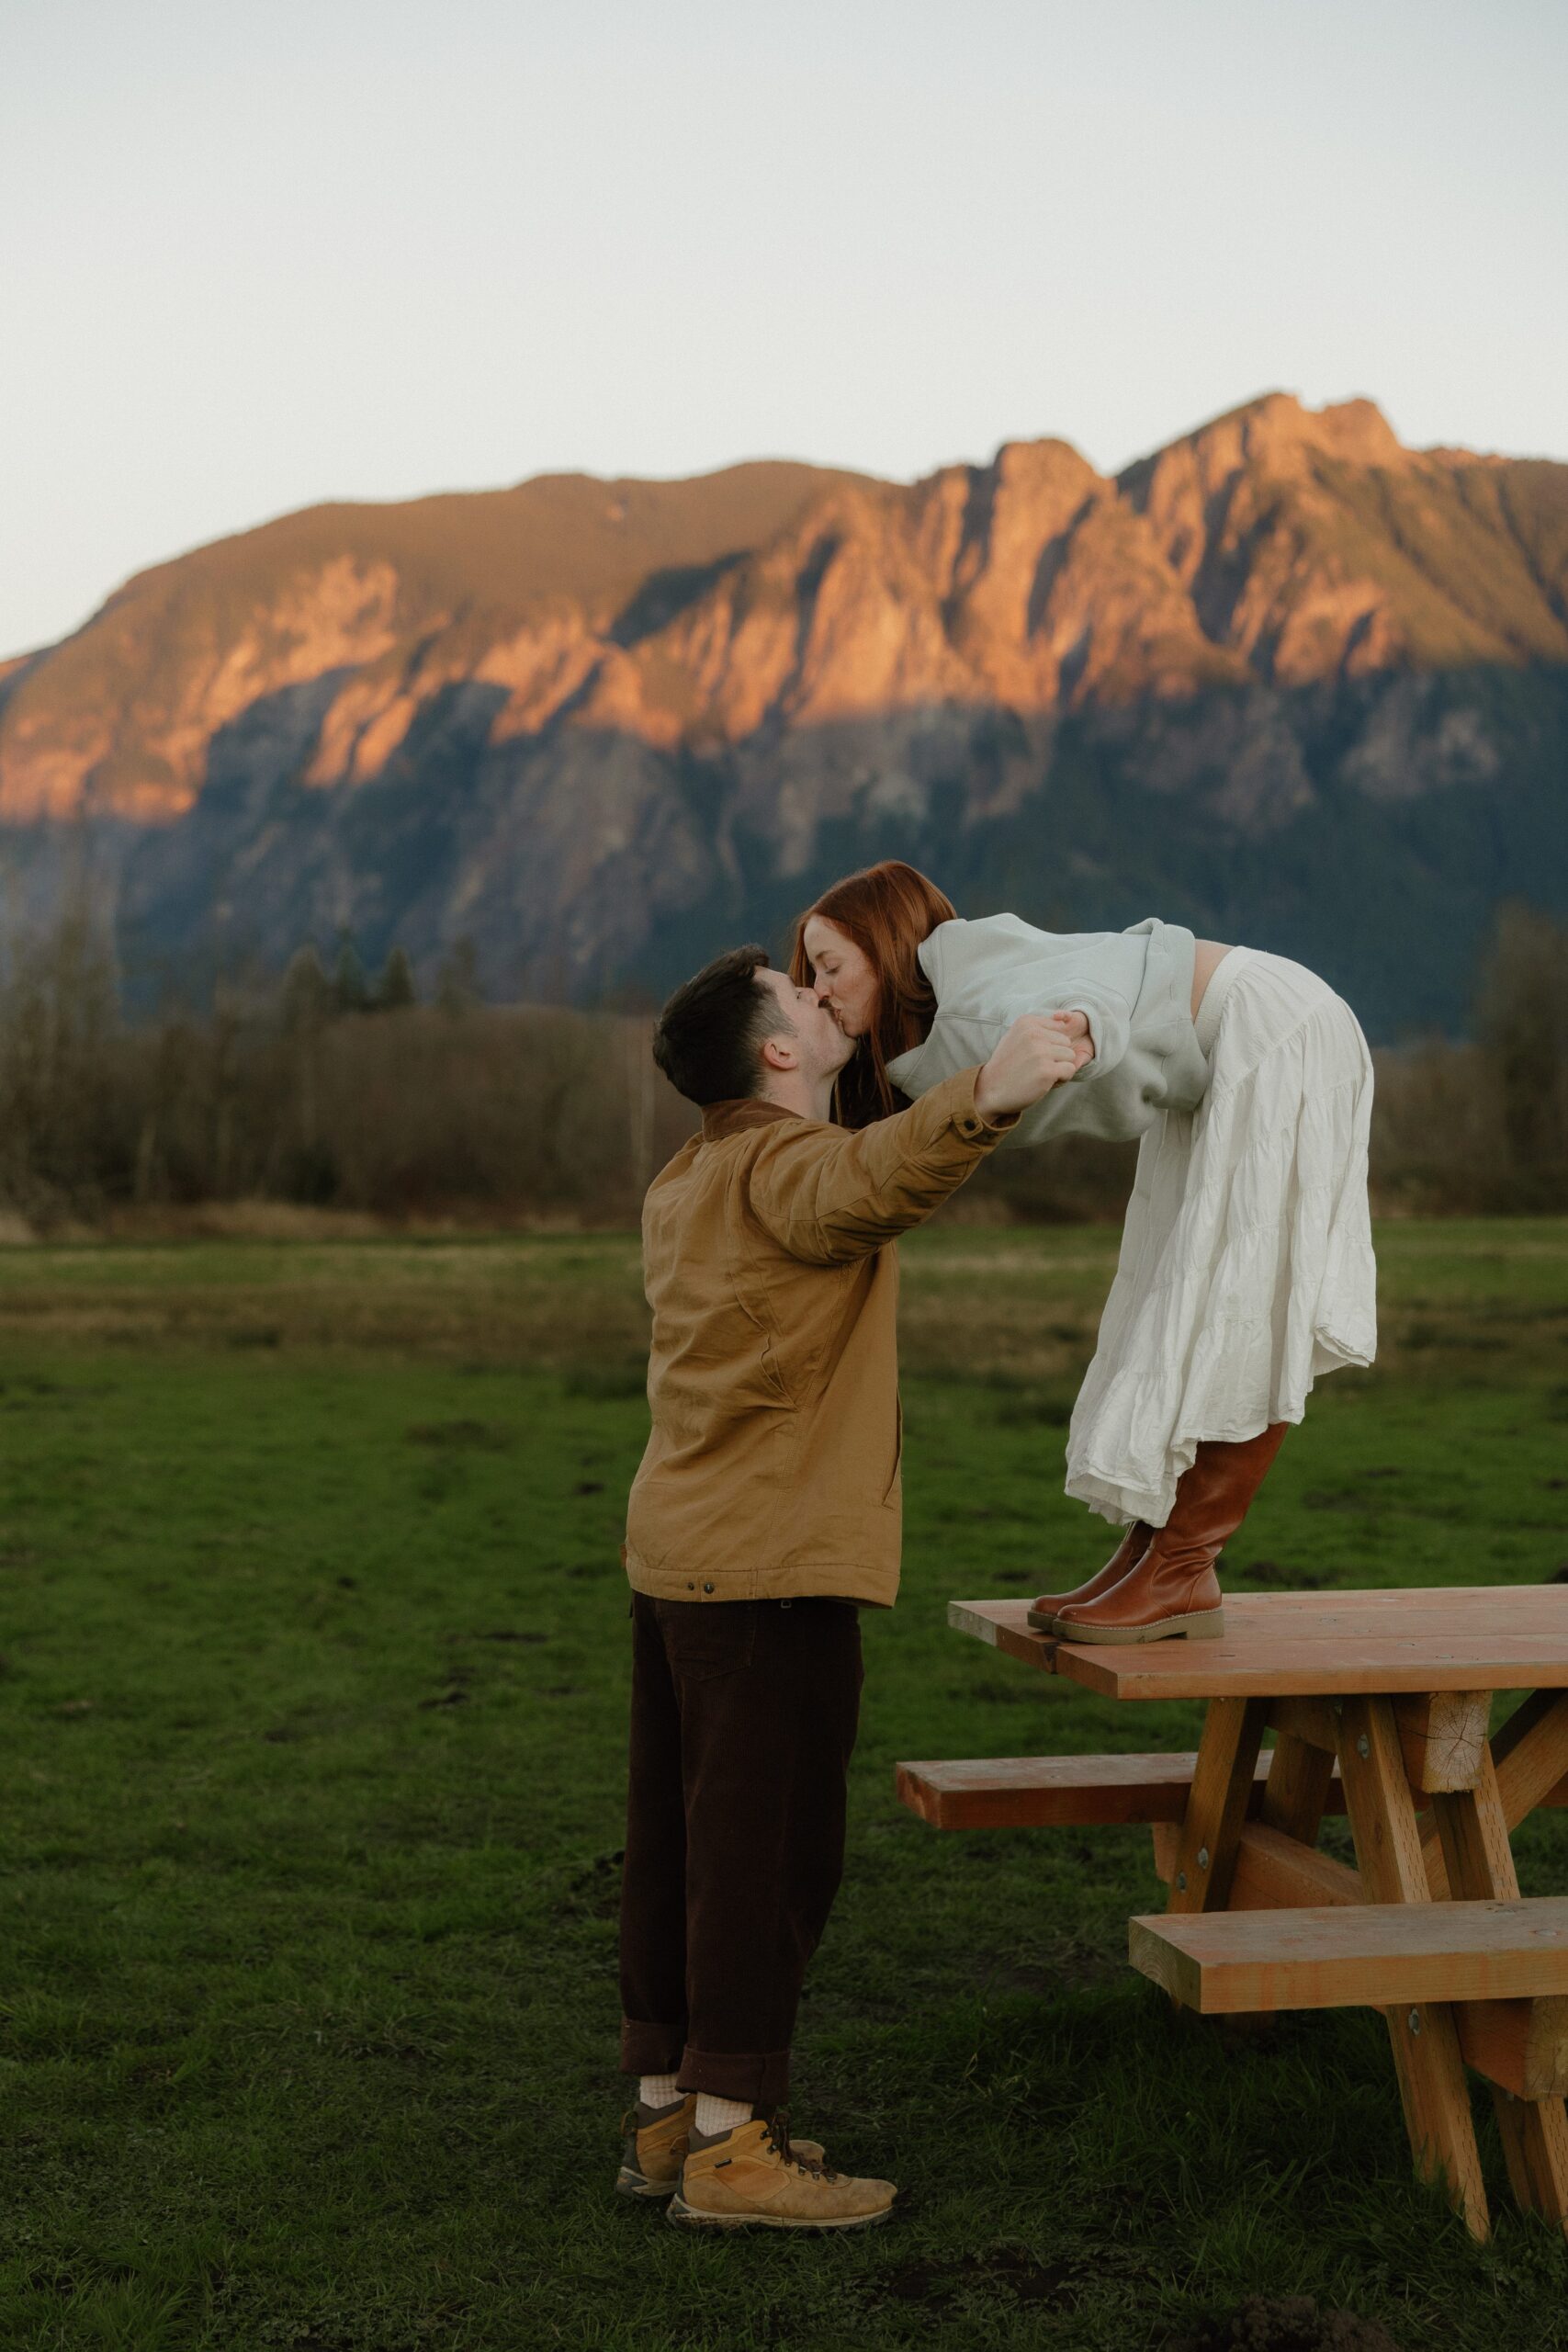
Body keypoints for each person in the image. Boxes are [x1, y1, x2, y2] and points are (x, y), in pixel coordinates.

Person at [617, 944, 1078, 2229]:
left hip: (681, 1558)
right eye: (800, 993)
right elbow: (867, 1179)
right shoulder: (782, 1169)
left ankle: (664, 2118)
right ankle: (731, 2150)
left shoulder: (689, 1172)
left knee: (678, 1848)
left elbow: (852, 1153)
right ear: (774, 1050)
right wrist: (992, 1088)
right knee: (762, 1859)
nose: (821, 996)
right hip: (765, 1570)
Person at [792, 861, 1377, 1647]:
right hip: (1205, 1069)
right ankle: (1153, 1557)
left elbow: (1082, 984)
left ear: (887, 945)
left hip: (1271, 1028)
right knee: (1168, 1305)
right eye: (810, 974)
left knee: (1243, 1307)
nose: (820, 988)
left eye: (830, 966)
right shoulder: (923, 1036)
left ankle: (1181, 1568)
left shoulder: (956, 973)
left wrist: (1085, 1026)